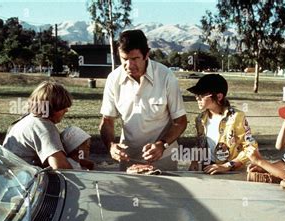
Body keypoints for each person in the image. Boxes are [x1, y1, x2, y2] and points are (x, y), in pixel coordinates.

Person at [99, 29, 187, 171]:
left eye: (134, 59)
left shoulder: (166, 76)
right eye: (124, 59)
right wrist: (111, 146)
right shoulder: (113, 79)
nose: (129, 65)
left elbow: (180, 121)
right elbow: (107, 120)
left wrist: (162, 145)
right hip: (128, 159)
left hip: (163, 157)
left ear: (147, 54)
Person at [187, 74, 258, 174]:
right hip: (207, 170)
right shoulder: (200, 119)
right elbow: (200, 143)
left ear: (219, 96)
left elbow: (250, 147)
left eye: (201, 95)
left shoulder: (236, 117)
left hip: (232, 174)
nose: (197, 98)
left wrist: (227, 166)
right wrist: (194, 161)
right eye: (196, 95)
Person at [3, 81, 73, 170]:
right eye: (63, 107)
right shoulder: (44, 127)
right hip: (22, 179)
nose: (66, 110)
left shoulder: (27, 120)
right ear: (52, 108)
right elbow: (60, 167)